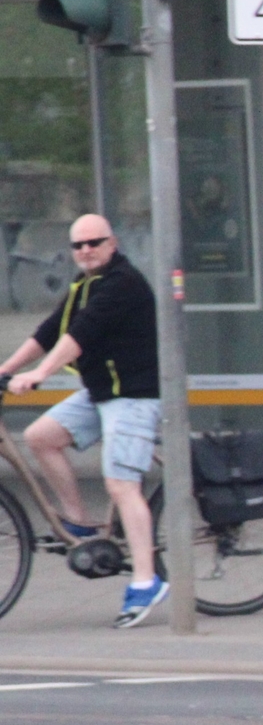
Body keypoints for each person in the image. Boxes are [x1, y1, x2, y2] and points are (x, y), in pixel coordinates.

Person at [0, 215, 167, 626]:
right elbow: (50, 331)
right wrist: (5, 370)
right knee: (41, 436)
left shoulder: (122, 284)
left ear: (113, 243)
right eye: (78, 246)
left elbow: (78, 337)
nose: (86, 250)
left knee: (121, 485)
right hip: (101, 393)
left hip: (133, 396)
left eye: (94, 242)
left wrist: (40, 374)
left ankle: (147, 582)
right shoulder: (85, 285)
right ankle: (82, 526)